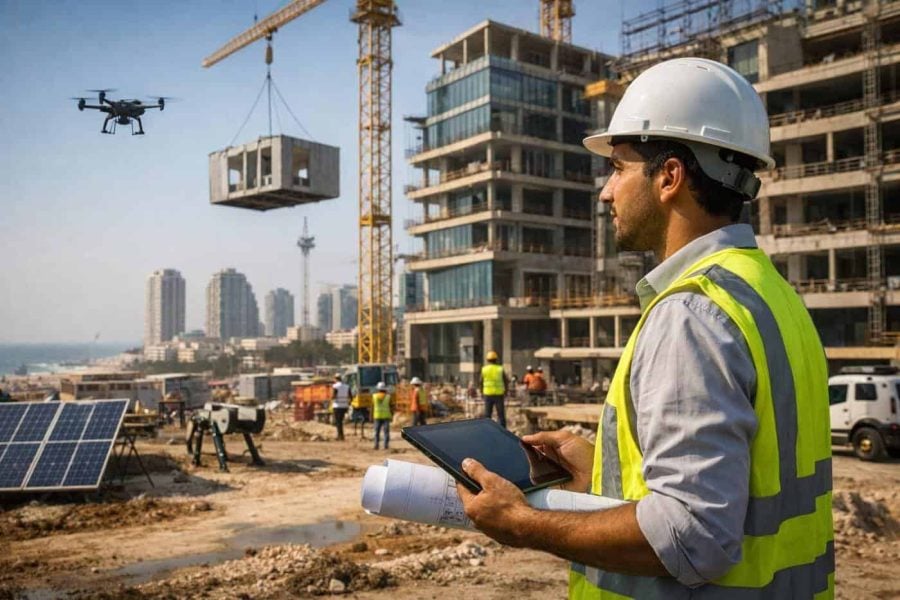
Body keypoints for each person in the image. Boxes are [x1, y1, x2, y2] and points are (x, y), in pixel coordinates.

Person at [455, 57, 833, 599]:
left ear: (670, 177)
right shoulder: (771, 295)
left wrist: (523, 524)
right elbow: (747, 482)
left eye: (618, 168)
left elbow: (692, 536)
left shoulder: (692, 314)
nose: (606, 192)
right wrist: (600, 474)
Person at [479, 350, 510, 428]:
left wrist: (481, 392)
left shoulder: (484, 369)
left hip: (488, 394)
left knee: (487, 415)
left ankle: (487, 431)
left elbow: (480, 381)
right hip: (499, 394)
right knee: (501, 415)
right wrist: (506, 391)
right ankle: (503, 431)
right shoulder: (500, 369)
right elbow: (506, 381)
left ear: (487, 360)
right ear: (496, 359)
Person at [372, 381, 391, 450]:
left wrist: (370, 416)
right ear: (385, 389)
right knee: (386, 432)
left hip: (377, 416)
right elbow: (391, 406)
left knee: (376, 432)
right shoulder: (388, 396)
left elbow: (372, 406)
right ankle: (385, 446)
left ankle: (376, 445)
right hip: (386, 416)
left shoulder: (374, 396)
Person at [331, 374, 350, 441]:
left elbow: (333, 396)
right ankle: (341, 435)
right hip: (344, 406)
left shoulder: (335, 386)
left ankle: (340, 436)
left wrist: (332, 398)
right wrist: (348, 403)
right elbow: (351, 396)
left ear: (336, 379)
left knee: (338, 422)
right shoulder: (347, 386)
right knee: (340, 421)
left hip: (337, 406)